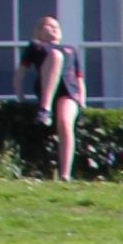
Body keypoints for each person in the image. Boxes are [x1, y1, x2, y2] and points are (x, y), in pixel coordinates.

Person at [19, 14, 84, 182]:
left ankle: (65, 174)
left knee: (65, 123)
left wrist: (82, 100)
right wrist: (20, 95)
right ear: (39, 31)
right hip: (47, 86)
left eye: (57, 27)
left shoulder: (71, 49)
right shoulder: (36, 46)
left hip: (68, 91)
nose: (54, 29)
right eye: (49, 26)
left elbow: (79, 79)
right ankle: (45, 108)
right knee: (55, 56)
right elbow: (20, 73)